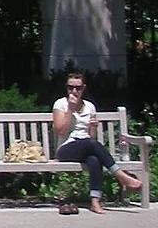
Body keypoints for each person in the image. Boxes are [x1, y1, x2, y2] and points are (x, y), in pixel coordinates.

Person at [53, 72, 144, 213]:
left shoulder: (90, 107)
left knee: (94, 159)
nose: (74, 91)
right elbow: (60, 132)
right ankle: (121, 176)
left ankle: (95, 201)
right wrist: (70, 110)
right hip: (66, 149)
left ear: (84, 88)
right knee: (91, 145)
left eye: (78, 88)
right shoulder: (60, 104)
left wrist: (93, 127)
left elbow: (92, 137)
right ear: (67, 88)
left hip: (86, 146)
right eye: (70, 87)